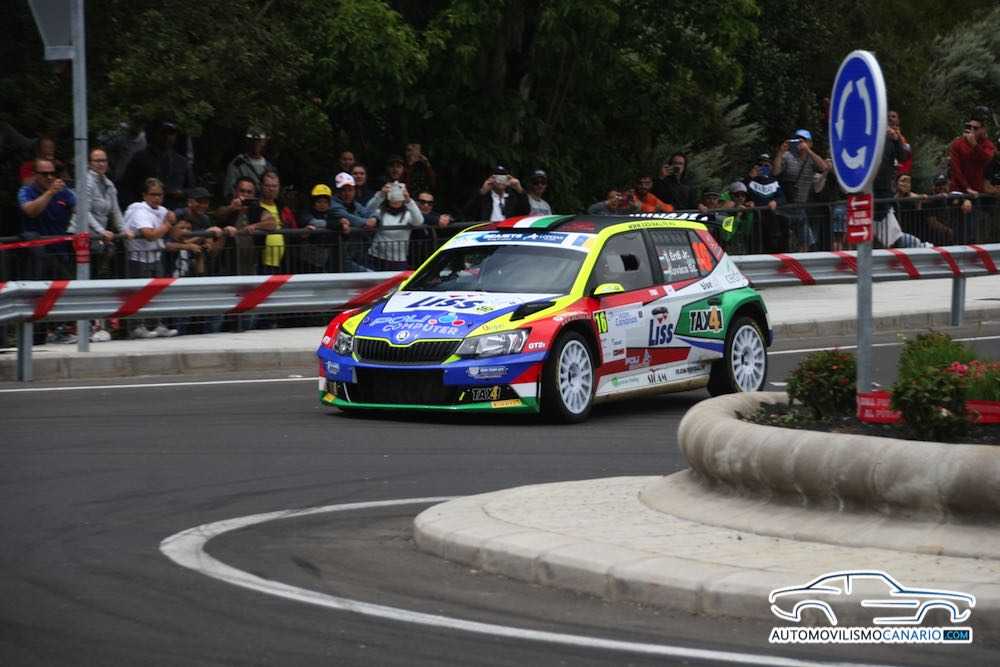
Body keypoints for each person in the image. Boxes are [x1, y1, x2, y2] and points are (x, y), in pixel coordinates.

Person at [123, 178, 178, 338]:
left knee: (156, 293)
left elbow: (174, 232)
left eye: (160, 195)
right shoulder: (140, 210)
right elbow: (149, 235)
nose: (157, 198)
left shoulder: (162, 210)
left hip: (155, 257)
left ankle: (157, 324)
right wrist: (167, 225)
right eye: (153, 194)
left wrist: (172, 221)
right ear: (145, 195)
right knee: (139, 293)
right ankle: (137, 327)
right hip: (138, 258)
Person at [18, 158, 76, 280]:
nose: (49, 177)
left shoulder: (63, 191)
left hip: (60, 251)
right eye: (45, 174)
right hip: (36, 255)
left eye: (52, 173)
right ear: (35, 175)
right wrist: (50, 192)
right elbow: (30, 211)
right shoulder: (26, 191)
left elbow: (81, 210)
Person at [773, 129, 829, 252]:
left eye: (803, 140)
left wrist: (808, 150)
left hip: (801, 206)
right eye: (797, 140)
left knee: (805, 241)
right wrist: (780, 152)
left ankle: (802, 259)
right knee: (788, 241)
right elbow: (776, 171)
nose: (800, 143)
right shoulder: (787, 156)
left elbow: (824, 167)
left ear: (810, 143)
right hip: (786, 205)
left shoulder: (811, 159)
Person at [120, 120, 194, 210]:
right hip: (145, 210)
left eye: (171, 133)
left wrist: (181, 193)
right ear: (156, 134)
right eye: (163, 133)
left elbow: (191, 189)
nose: (167, 137)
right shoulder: (140, 158)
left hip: (174, 210)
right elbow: (126, 186)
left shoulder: (181, 162)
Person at [366, 181, 424, 270]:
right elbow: (367, 211)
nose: (396, 199)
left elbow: (419, 221)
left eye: (399, 193)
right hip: (376, 256)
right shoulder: (380, 211)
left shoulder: (408, 214)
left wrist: (408, 200)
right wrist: (381, 195)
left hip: (398, 259)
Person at [329, 172, 377, 272]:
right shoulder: (332, 204)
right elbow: (349, 217)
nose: (347, 193)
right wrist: (366, 223)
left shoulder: (355, 204)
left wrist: (374, 218)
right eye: (343, 190)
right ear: (337, 191)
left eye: (350, 190)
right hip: (337, 254)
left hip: (357, 251)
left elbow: (369, 212)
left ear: (354, 190)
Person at [745, 154, 786, 253]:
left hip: (771, 220)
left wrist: (776, 201)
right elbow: (740, 195)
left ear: (771, 167)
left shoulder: (774, 182)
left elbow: (782, 198)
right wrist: (750, 177)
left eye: (766, 165)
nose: (763, 168)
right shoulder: (749, 180)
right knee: (755, 247)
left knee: (772, 245)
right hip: (754, 220)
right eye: (760, 165)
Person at [223, 127, 276, 200]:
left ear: (264, 142)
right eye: (253, 141)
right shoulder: (238, 164)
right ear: (247, 142)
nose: (256, 144)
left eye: (259, 141)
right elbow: (229, 191)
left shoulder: (269, 166)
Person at [465, 165, 530, 221]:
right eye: (498, 177)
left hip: (507, 230)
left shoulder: (513, 197)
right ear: (491, 179)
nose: (500, 181)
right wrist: (482, 192)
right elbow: (469, 213)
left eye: (503, 177)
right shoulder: (484, 196)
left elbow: (525, 212)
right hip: (487, 230)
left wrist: (520, 190)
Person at [410, 191, 453, 266]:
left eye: (430, 203)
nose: (426, 205)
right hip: (413, 257)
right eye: (422, 202)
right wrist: (437, 220)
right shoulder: (409, 214)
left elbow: (450, 219)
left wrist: (448, 218)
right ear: (416, 203)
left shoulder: (435, 215)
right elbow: (421, 218)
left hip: (431, 255)